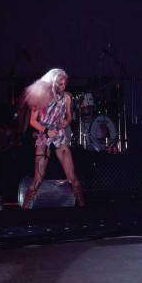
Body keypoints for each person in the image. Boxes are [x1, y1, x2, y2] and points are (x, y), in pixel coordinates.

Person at [22, 68, 85, 209]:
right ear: (53, 83)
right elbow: (33, 121)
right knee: (38, 177)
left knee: (72, 177)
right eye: (60, 84)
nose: (63, 87)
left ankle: (83, 210)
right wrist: (46, 130)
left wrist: (66, 121)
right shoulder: (41, 97)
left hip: (59, 135)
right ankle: (25, 209)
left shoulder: (67, 97)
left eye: (64, 84)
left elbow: (69, 116)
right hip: (44, 135)